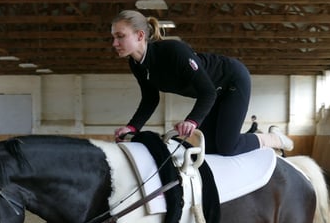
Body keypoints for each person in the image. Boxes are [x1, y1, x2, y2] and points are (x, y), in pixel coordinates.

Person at [110, 10, 293, 156]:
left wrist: (192, 121)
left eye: (120, 36)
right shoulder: (136, 64)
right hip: (214, 93)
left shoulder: (173, 51)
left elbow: (208, 92)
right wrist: (132, 127)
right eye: (113, 37)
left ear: (140, 35)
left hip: (232, 80)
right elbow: (150, 99)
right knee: (211, 149)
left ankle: (272, 139)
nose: (114, 43)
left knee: (228, 147)